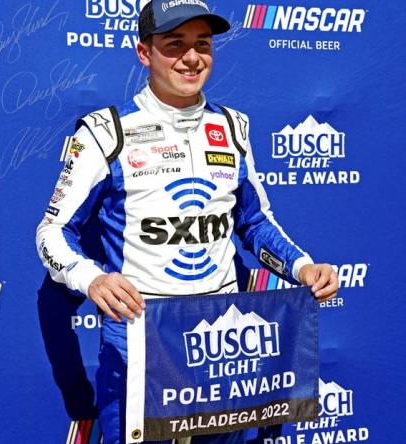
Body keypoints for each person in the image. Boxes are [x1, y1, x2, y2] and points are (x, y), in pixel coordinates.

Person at [35, 1, 339, 443]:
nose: (192, 57)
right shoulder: (106, 131)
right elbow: (52, 232)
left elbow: (254, 222)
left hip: (221, 347)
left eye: (202, 44)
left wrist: (302, 267)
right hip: (142, 343)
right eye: (174, 45)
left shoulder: (233, 127)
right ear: (144, 53)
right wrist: (91, 278)